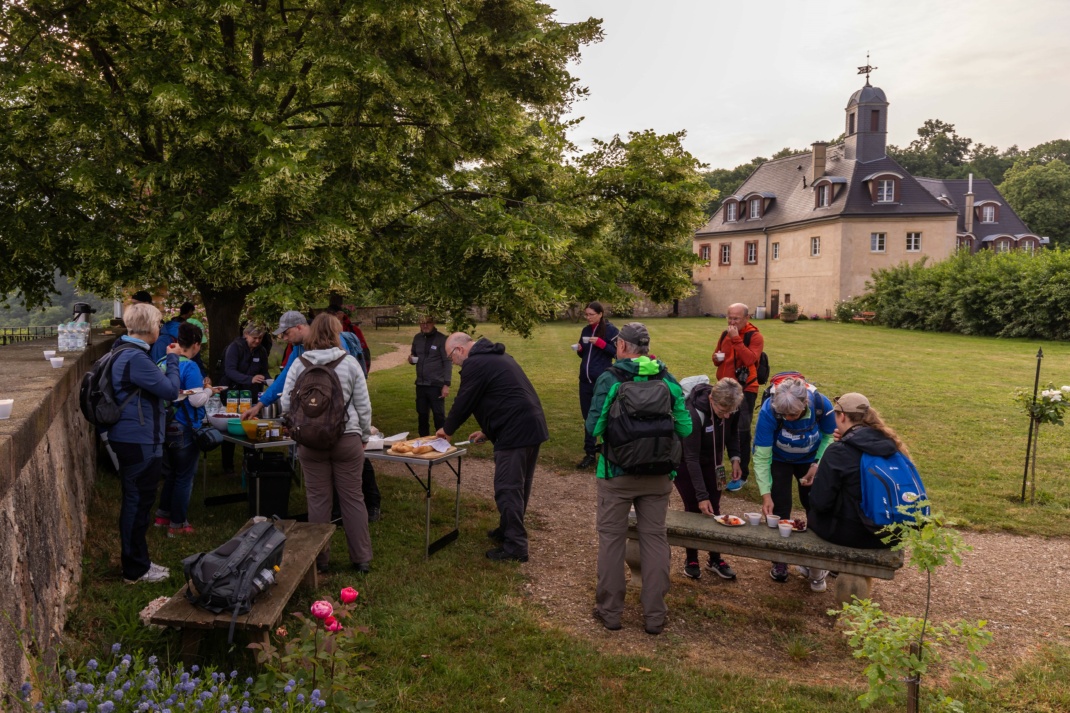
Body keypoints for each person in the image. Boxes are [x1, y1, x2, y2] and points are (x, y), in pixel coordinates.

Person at [586, 323, 691, 635]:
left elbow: (594, 427)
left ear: (621, 347)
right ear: (645, 347)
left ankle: (610, 613)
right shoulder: (667, 379)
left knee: (612, 541)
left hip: (616, 474)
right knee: (655, 540)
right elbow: (685, 429)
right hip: (658, 475)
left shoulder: (610, 378)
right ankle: (655, 616)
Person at [436, 333, 548, 563]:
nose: (453, 362)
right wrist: (487, 432)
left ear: (459, 350)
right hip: (530, 426)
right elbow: (504, 396)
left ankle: (516, 546)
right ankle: (507, 530)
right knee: (519, 485)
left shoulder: (476, 363)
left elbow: (464, 400)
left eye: (450, 357)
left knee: (507, 488)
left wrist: (447, 429)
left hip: (516, 432)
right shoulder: (496, 357)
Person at [281, 313, 374, 573]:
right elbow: (363, 406)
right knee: (353, 498)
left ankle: (319, 560)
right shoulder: (350, 363)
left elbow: (286, 403)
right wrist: (364, 435)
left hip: (311, 442)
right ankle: (361, 559)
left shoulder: (299, 364)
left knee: (318, 501)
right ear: (336, 333)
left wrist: (296, 427)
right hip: (347, 437)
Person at [104, 302, 181, 584]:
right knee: (137, 503)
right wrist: (173, 360)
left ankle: (139, 562)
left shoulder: (122, 351)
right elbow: (170, 390)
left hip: (131, 437)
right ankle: (135, 570)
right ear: (150, 327)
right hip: (138, 440)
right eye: (159, 324)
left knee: (136, 501)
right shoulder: (136, 358)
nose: (160, 329)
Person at [752, 376, 836, 583]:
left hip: (810, 459)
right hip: (779, 460)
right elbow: (761, 455)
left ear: (805, 405)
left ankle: (817, 560)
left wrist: (817, 465)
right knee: (780, 507)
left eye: (794, 414)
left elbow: (830, 436)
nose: (788, 418)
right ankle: (780, 559)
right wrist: (765, 494)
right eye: (784, 414)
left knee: (816, 505)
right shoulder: (769, 411)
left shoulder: (821, 404)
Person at [808, 392, 906, 551]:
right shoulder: (890, 445)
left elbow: (820, 503)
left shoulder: (837, 452)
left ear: (843, 417)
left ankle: (815, 569)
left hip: (853, 535)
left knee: (813, 516)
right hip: (890, 535)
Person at [676, 377, 743, 580]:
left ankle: (715, 558)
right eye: (723, 411)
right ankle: (691, 558)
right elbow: (691, 458)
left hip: (714, 464)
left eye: (730, 411)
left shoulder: (731, 409)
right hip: (687, 464)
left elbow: (733, 434)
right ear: (712, 397)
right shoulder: (693, 414)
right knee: (695, 509)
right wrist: (701, 494)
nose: (727, 415)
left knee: (715, 509)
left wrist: (735, 458)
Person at [154, 322, 213, 537]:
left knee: (172, 472)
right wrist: (209, 391)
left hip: (164, 424)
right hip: (185, 426)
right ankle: (177, 524)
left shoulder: (163, 361)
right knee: (184, 476)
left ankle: (162, 515)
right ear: (196, 345)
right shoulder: (190, 366)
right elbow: (197, 401)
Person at [712, 303, 764, 492]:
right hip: (724, 387)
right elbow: (717, 356)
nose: (732, 322)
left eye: (736, 318)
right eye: (729, 317)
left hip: (745, 388)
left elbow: (750, 359)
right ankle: (718, 468)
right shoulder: (725, 334)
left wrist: (737, 340)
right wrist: (716, 358)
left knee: (741, 430)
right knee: (721, 427)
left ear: (746, 318)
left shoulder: (754, 336)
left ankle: (741, 474)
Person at [219, 323, 270, 475]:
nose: (257, 341)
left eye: (260, 338)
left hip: (251, 395)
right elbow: (229, 371)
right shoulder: (234, 348)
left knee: (250, 426)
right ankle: (227, 465)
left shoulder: (261, 351)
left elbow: (264, 372)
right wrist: (250, 379)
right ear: (246, 335)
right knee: (231, 428)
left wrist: (270, 381)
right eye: (254, 338)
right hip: (232, 393)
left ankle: (250, 464)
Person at [241, 311, 309, 422]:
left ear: (299, 327)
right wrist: (259, 406)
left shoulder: (329, 342)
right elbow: (284, 377)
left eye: (287, 333)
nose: (285, 338)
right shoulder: (298, 348)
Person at [575, 302, 619, 469]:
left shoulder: (611, 330)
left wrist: (601, 343)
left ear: (600, 314)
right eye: (586, 314)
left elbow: (618, 353)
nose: (588, 317)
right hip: (585, 380)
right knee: (588, 417)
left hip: (601, 381)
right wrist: (580, 349)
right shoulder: (586, 330)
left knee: (604, 414)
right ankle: (590, 453)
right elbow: (585, 354)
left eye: (591, 314)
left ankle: (608, 451)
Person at [409, 316, 452, 437]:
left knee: (438, 415)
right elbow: (414, 356)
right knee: (422, 414)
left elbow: (447, 362)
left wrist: (446, 384)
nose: (425, 325)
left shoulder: (442, 339)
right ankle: (423, 441)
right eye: (422, 323)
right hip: (421, 384)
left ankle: (442, 442)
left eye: (428, 323)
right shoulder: (417, 338)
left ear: (434, 323)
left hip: (436, 384)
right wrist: (411, 360)